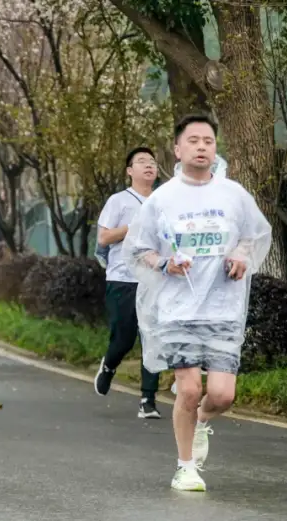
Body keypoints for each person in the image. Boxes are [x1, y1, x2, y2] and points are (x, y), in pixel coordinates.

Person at [124, 114, 271, 492]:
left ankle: (202, 419)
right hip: (178, 310)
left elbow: (254, 236)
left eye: (208, 140)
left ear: (215, 148)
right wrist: (165, 263)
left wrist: (241, 255)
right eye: (193, 140)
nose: (202, 146)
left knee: (221, 395)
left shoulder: (233, 194)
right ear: (177, 149)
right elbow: (138, 251)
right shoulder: (162, 200)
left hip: (223, 307)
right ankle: (185, 467)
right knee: (188, 389)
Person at [93, 147, 163, 419]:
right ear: (129, 171)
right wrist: (135, 226)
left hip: (155, 279)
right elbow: (103, 238)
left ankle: (148, 399)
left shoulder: (163, 201)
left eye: (152, 162)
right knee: (124, 338)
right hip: (123, 279)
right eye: (141, 162)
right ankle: (109, 366)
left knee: (152, 337)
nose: (148, 166)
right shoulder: (118, 201)